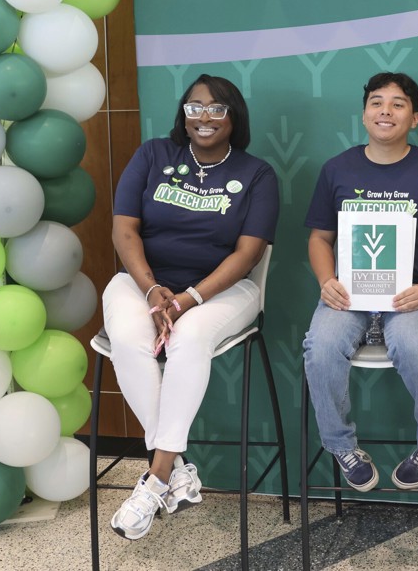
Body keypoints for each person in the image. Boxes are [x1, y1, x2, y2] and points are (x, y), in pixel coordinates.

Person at [103, 74, 279, 541]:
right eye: (194, 107)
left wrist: (188, 299)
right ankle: (177, 469)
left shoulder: (256, 174)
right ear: (183, 115)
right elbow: (124, 230)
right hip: (144, 283)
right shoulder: (153, 155)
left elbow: (248, 254)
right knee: (128, 338)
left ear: (234, 117)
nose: (204, 117)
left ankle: (156, 477)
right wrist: (151, 290)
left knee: (189, 337)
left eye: (217, 108)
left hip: (222, 291)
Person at [303, 72, 418, 492]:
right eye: (376, 102)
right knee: (320, 348)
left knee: (413, 346)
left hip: (413, 294)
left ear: (414, 118)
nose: (385, 111)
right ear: (364, 114)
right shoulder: (337, 169)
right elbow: (319, 239)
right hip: (350, 292)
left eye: (398, 104)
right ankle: (341, 446)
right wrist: (326, 279)